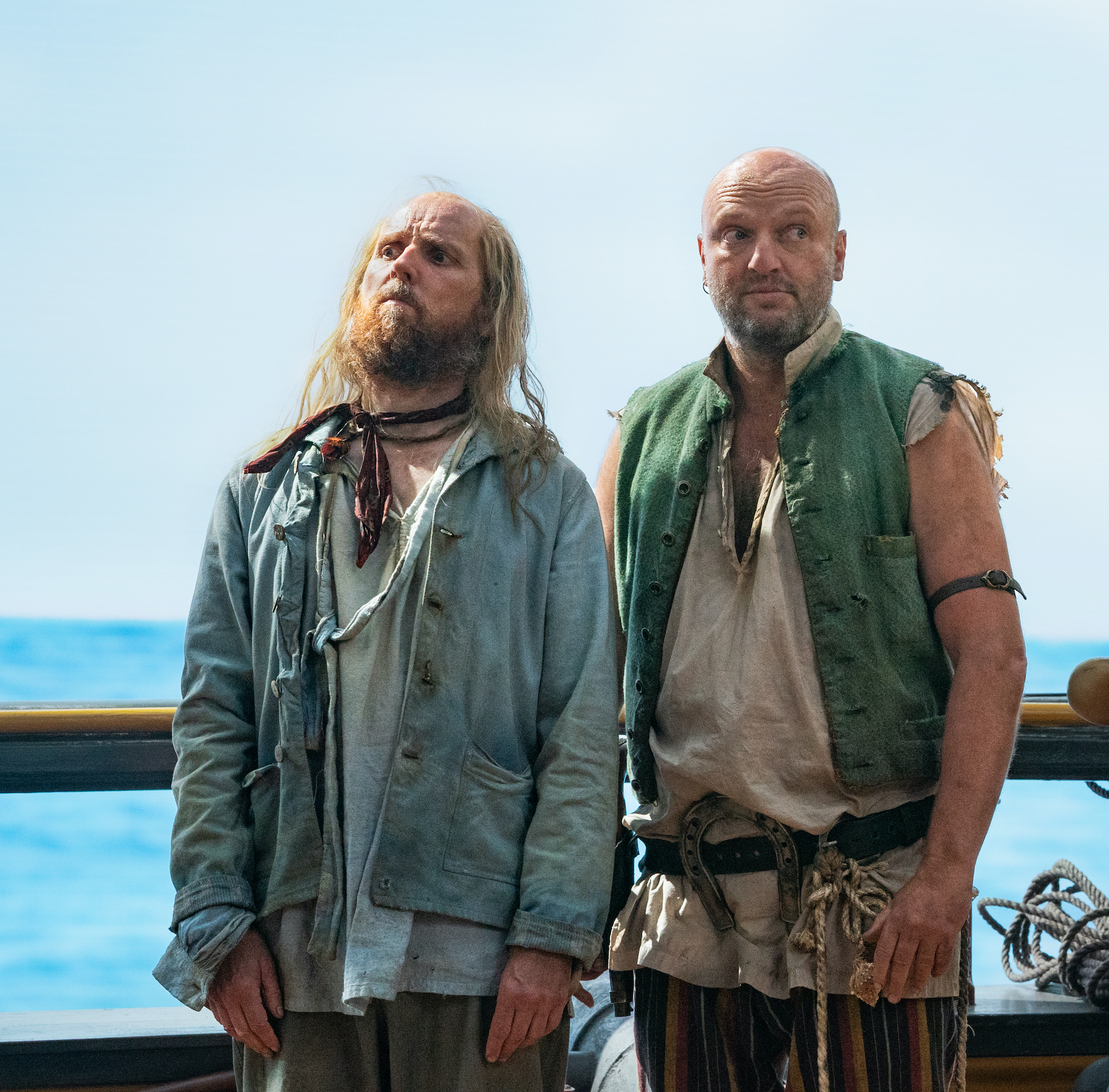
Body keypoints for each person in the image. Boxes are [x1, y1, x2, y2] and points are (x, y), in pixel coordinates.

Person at [156, 193, 622, 1092]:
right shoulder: (262, 490)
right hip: (296, 960)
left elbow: (581, 727)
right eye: (389, 249)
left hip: (482, 960)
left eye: (440, 255)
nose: (404, 263)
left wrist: (555, 933)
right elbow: (210, 720)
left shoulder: (544, 491)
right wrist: (215, 921)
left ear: (488, 313)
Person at [597, 148, 1027, 1092]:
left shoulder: (916, 406)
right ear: (701, 256)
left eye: (793, 234)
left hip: (875, 891)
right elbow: (594, 681)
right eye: (737, 235)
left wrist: (945, 880)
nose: (765, 259)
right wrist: (583, 889)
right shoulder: (640, 432)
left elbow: (991, 658)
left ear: (838, 251)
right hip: (689, 899)